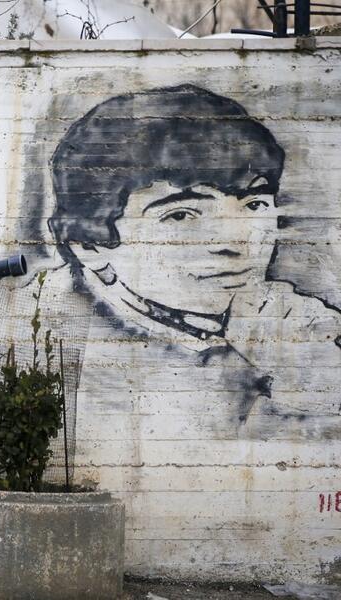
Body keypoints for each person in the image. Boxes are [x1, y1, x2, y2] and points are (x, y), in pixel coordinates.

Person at [47, 83, 340, 431]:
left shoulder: (290, 322)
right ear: (89, 246)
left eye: (253, 205)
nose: (236, 241)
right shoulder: (59, 342)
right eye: (182, 215)